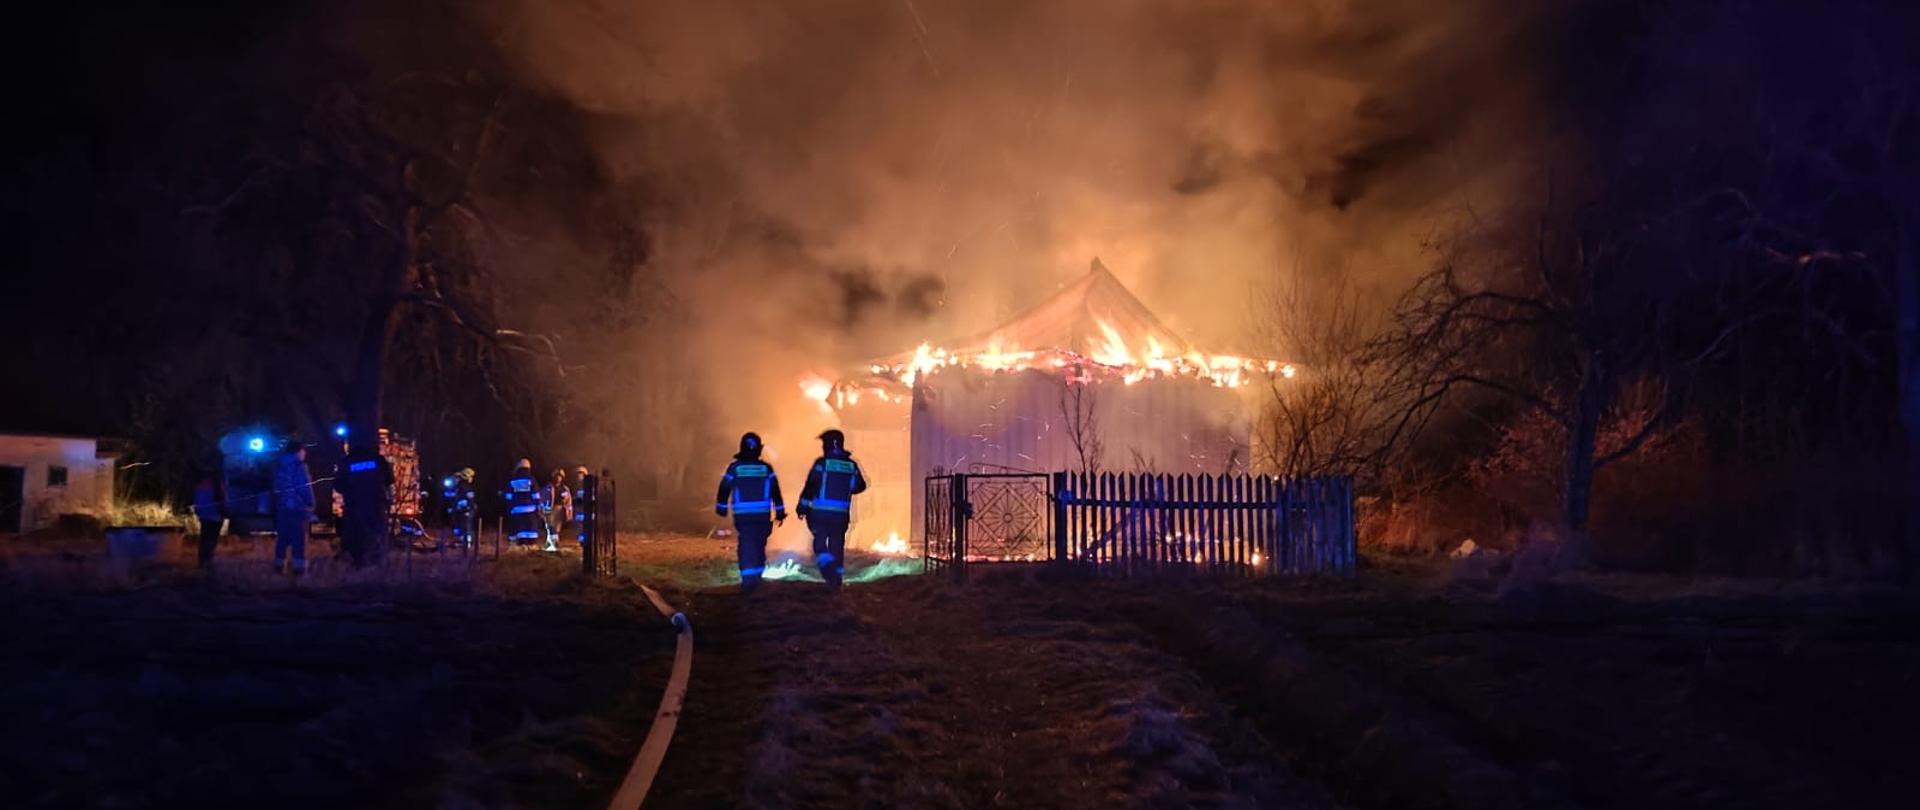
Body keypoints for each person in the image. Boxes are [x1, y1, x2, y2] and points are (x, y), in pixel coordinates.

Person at [796, 428, 866, 591]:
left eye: (824, 443)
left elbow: (810, 486)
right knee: (837, 547)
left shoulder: (822, 464)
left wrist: (802, 506)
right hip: (841, 515)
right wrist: (846, 488)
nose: (822, 447)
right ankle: (836, 581)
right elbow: (860, 486)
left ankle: (828, 571)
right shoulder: (851, 465)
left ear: (829, 444)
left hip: (820, 514)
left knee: (820, 545)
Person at [716, 432, 786, 594]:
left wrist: (721, 507)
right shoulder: (766, 469)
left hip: (743, 516)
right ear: (759, 449)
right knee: (759, 546)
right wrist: (780, 512)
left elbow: (724, 488)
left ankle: (748, 581)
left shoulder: (735, 468)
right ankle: (756, 578)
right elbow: (775, 492)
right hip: (762, 516)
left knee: (746, 545)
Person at [336, 438, 394, 567]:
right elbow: (390, 479)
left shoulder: (347, 461)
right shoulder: (378, 459)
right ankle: (376, 560)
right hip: (375, 502)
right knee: (376, 531)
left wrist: (349, 491)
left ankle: (359, 561)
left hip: (354, 504)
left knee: (356, 532)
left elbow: (338, 484)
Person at [272, 441, 315, 576]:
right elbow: (303, 486)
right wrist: (310, 502)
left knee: (283, 537)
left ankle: (278, 566)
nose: (304, 454)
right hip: (297, 506)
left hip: (282, 505)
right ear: (299, 451)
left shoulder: (278, 465)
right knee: (298, 538)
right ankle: (298, 569)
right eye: (303, 451)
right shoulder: (299, 466)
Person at [503, 458, 544, 547]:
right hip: (530, 508)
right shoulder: (531, 479)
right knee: (531, 526)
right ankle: (531, 544)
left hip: (517, 508)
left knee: (519, 526)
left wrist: (510, 506)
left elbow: (508, 496)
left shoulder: (513, 480)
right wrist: (538, 505)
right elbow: (536, 495)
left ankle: (521, 543)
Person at [191, 472, 226, 568]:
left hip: (205, 516)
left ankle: (203, 561)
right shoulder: (217, 486)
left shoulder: (199, 487)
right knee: (211, 539)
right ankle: (207, 560)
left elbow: (197, 502)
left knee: (205, 538)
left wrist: (199, 512)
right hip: (215, 517)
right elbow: (221, 500)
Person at [442, 467, 477, 550]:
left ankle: (467, 543)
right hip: (458, 510)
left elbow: (469, 499)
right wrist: (452, 506)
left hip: (466, 510)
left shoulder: (466, 486)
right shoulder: (457, 486)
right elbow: (451, 496)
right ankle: (461, 540)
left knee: (466, 526)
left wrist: (466, 507)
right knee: (458, 526)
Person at [541, 468, 572, 553]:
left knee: (557, 527)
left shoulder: (565, 489)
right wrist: (542, 509)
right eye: (557, 476)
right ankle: (552, 543)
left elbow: (568, 501)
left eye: (560, 476)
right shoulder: (548, 487)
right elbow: (542, 498)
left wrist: (568, 512)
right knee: (550, 526)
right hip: (550, 509)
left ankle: (554, 543)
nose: (558, 478)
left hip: (560, 509)